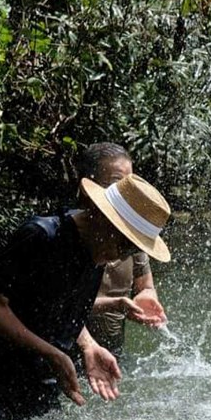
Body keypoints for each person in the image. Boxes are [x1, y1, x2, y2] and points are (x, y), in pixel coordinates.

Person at [0, 174, 172, 420]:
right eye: (123, 245)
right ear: (102, 218)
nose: (118, 257)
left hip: (43, 383)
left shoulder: (95, 252)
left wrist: (89, 346)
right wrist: (52, 353)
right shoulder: (41, 236)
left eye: (131, 251)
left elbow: (59, 307)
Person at [78, 143, 167, 357]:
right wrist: (117, 305)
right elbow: (54, 305)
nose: (124, 194)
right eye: (115, 185)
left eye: (128, 185)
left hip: (112, 353)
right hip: (69, 350)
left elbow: (145, 286)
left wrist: (145, 298)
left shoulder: (133, 241)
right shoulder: (72, 236)